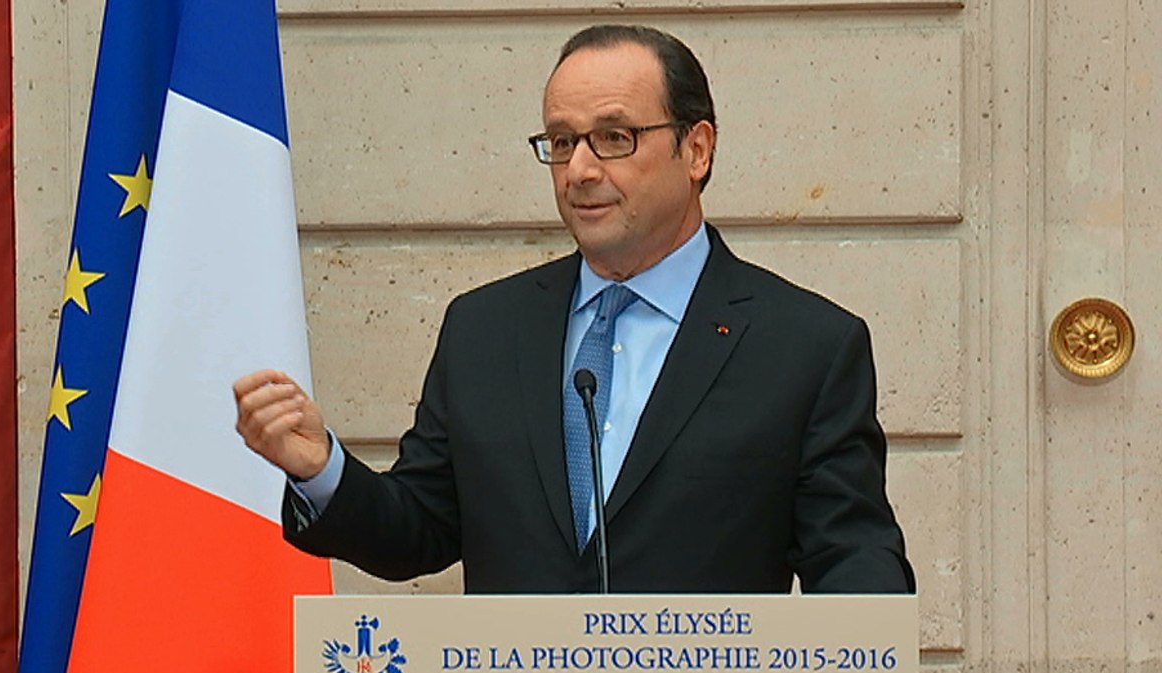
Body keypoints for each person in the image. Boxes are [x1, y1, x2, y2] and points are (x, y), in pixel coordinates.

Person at [234, 24, 914, 595]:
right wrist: (321, 468)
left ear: (696, 149)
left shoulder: (804, 345)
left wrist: (868, 653)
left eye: (614, 137)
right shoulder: (485, 330)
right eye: (562, 142)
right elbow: (419, 528)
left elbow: (852, 556)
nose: (581, 170)